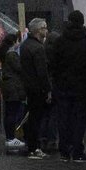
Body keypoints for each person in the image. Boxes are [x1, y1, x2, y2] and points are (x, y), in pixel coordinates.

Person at [48, 12, 86, 162]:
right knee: (79, 120)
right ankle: (77, 150)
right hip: (82, 88)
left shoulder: (60, 41)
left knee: (64, 119)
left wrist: (57, 82)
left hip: (63, 87)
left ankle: (64, 150)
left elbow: (53, 65)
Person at [18, 19, 53, 158]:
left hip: (28, 86)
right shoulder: (38, 48)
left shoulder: (25, 45)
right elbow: (42, 72)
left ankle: (31, 145)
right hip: (38, 89)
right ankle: (35, 147)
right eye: (44, 28)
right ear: (38, 30)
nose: (46, 30)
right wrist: (48, 89)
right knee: (37, 119)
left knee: (31, 117)